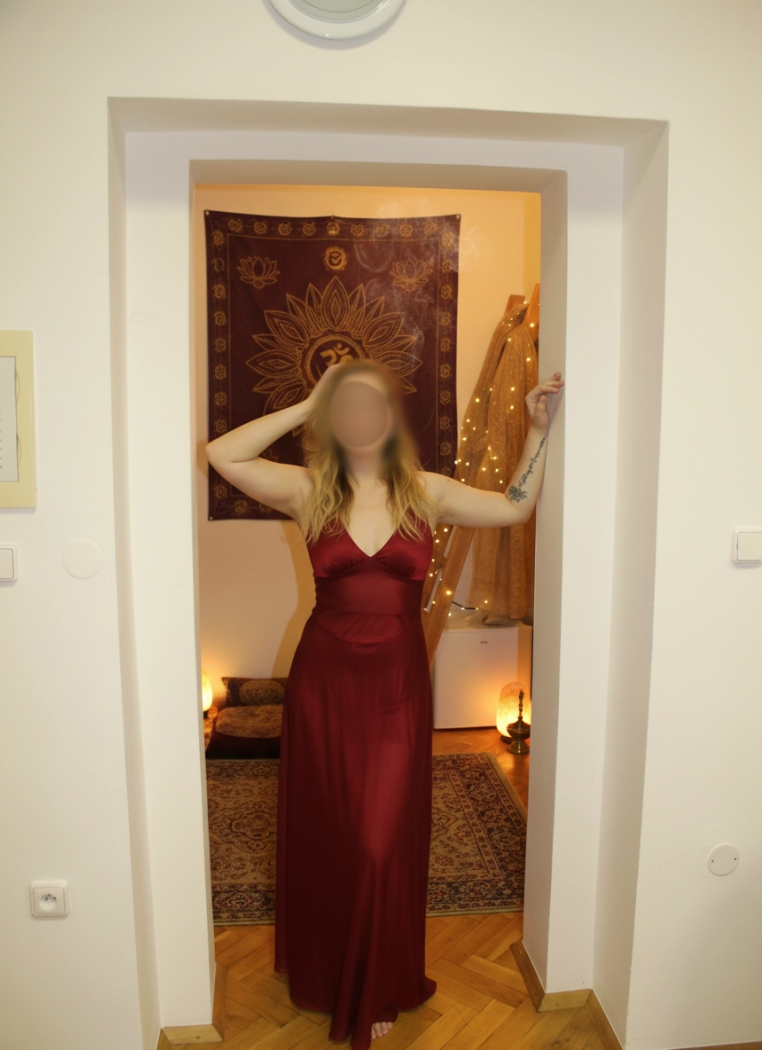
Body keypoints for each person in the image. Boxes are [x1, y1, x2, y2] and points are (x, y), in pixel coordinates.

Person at [206, 358, 563, 1048]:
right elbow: (224, 454)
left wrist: (538, 430)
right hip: (324, 684)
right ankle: (330, 965)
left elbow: (514, 506)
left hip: (396, 685)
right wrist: (307, 402)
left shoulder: (425, 493)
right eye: (346, 406)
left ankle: (375, 976)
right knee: (335, 829)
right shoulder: (310, 490)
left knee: (380, 838)